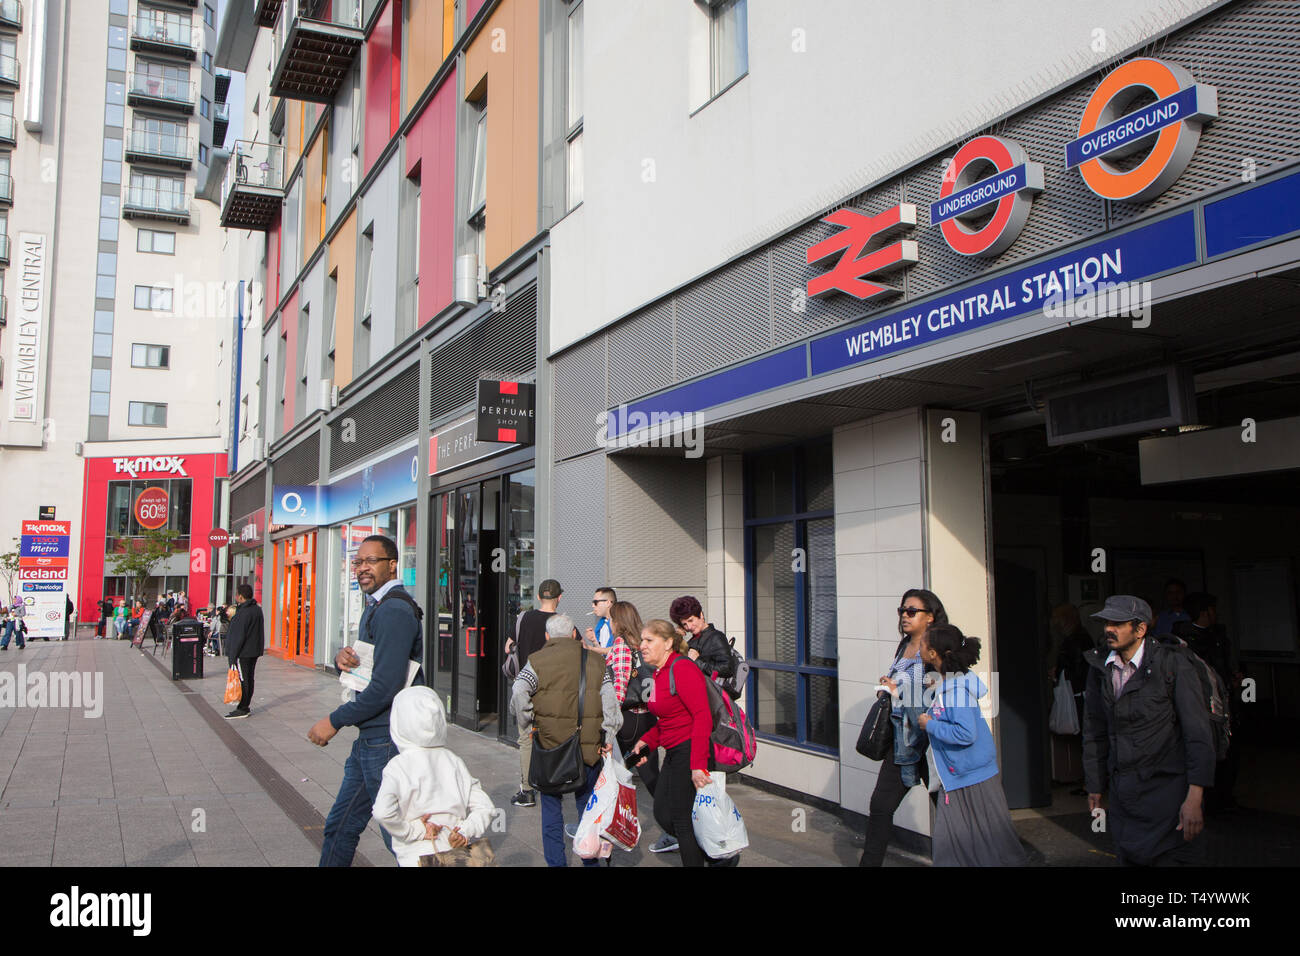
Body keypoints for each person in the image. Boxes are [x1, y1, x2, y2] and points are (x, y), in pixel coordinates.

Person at [310, 534, 424, 867]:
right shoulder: (376, 606)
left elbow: (385, 687)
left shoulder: (394, 611)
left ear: (392, 565)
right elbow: (369, 667)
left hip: (386, 740)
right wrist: (342, 658)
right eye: (358, 562)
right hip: (371, 739)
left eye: (371, 561)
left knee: (400, 837)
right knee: (340, 826)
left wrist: (334, 720)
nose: (362, 568)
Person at [1083, 595, 1215, 866]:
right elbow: (1094, 730)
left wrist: (1195, 797)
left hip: (1168, 793)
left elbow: (1198, 733)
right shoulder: (1100, 668)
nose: (1109, 628)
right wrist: (1095, 785)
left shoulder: (1173, 664)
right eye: (1107, 622)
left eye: (1118, 623)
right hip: (1124, 795)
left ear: (1140, 629)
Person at [510, 612, 621, 867]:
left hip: (551, 750)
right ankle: (590, 862)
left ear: (548, 636)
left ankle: (556, 863)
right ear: (574, 635)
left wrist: (527, 719)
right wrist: (609, 733)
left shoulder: (536, 662)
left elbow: (518, 690)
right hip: (588, 749)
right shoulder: (596, 662)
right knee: (588, 810)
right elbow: (610, 701)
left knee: (551, 811)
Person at [917, 624, 1026, 866]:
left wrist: (930, 725)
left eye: (923, 644)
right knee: (960, 849)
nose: (919, 647)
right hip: (960, 776)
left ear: (934, 653)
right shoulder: (947, 686)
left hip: (970, 778)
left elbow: (966, 734)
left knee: (991, 848)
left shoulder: (956, 692)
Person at [629, 618, 732, 867]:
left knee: (681, 819)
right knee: (664, 814)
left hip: (689, 750)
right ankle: (716, 858)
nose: (642, 645)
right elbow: (668, 718)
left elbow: (702, 716)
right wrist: (647, 741)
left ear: (667, 643)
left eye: (648, 640)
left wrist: (698, 765)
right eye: (642, 640)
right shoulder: (660, 671)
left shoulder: (682, 668)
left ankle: (712, 858)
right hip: (674, 751)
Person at [860, 587, 947, 866]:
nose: (905, 616)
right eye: (902, 611)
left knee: (947, 810)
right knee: (881, 807)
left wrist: (901, 692)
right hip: (902, 740)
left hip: (931, 742)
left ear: (930, 617)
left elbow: (941, 693)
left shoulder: (937, 651)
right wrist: (888, 688)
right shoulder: (904, 645)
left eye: (912, 611)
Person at [371, 686, 496, 867]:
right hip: (456, 855)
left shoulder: (398, 766)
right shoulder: (454, 761)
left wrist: (413, 830)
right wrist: (464, 830)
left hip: (415, 857)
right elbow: (485, 807)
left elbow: (383, 812)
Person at [1173, 592, 1241, 813]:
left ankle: (1221, 796)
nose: (1215, 614)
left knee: (1224, 748)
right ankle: (1210, 798)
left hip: (1220, 699)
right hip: (1205, 703)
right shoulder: (1185, 641)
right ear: (1204, 612)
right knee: (1209, 746)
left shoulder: (1218, 636)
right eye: (1212, 609)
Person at [504, 578, 564, 809]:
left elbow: (508, 647)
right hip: (556, 690)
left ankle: (527, 791)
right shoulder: (563, 624)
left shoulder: (524, 618)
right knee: (554, 736)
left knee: (527, 737)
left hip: (527, 687)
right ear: (559, 598)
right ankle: (556, 780)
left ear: (539, 597)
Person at [668, 595, 735, 683]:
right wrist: (678, 636)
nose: (689, 627)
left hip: (710, 693)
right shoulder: (693, 640)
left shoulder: (716, 637)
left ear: (701, 615)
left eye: (691, 620)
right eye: (684, 624)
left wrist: (697, 661)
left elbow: (727, 669)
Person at [223, 584, 265, 719]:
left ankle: (243, 707)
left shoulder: (243, 612)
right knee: (249, 678)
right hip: (253, 650)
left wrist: (232, 655)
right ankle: (244, 705)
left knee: (244, 680)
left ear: (240, 596)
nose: (235, 597)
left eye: (236, 595)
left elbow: (238, 635)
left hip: (244, 652)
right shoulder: (257, 610)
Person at [584, 587, 617, 656]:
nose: (592, 606)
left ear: (608, 603)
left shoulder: (620, 623)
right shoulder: (602, 624)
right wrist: (595, 640)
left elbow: (617, 649)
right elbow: (603, 653)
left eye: (596, 602)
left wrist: (590, 648)